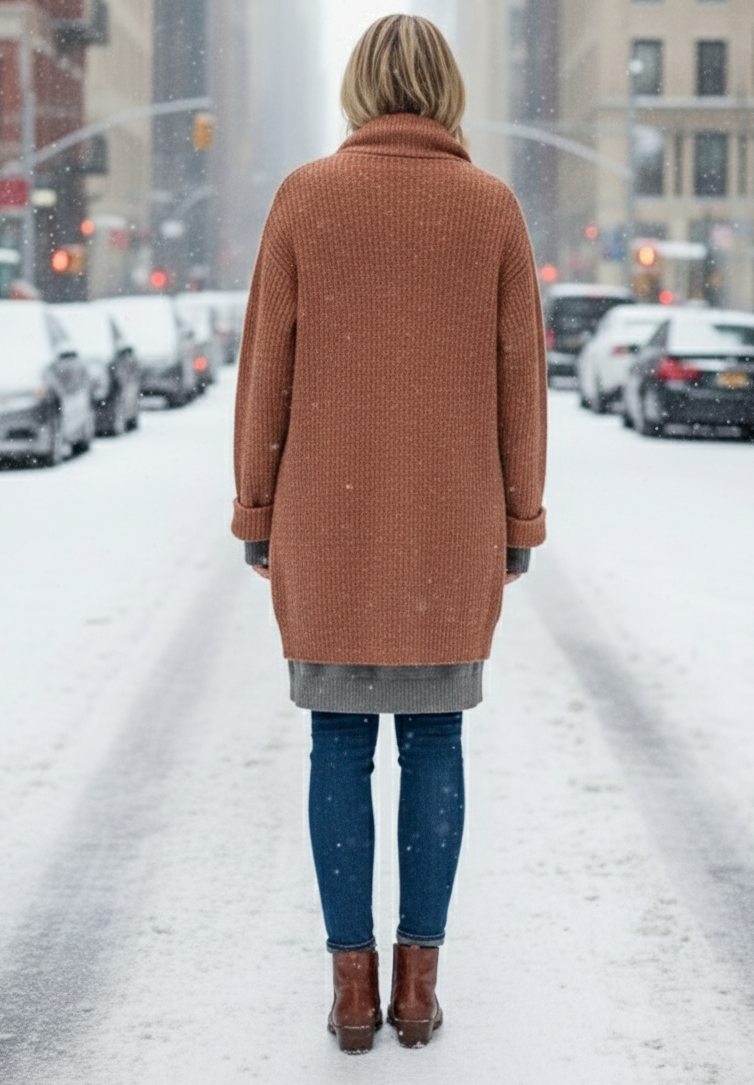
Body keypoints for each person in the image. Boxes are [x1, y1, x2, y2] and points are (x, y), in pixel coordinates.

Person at [232, 14, 547, 1054]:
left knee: (335, 744)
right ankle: (418, 988)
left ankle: (351, 991)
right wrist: (519, 513)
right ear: (446, 88)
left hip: (327, 522)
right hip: (451, 526)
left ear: (360, 87)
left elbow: (264, 373)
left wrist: (257, 504)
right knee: (436, 742)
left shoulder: (304, 199)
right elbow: (521, 386)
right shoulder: (492, 207)